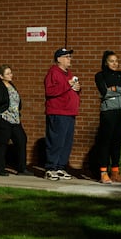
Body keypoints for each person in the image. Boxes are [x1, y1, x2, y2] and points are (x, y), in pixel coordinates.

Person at [94, 50, 121, 183]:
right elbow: (104, 92)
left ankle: (115, 172)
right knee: (106, 142)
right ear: (105, 62)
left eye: (116, 61)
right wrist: (120, 89)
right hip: (108, 113)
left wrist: (115, 89)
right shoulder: (100, 76)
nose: (115, 63)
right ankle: (103, 173)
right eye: (112, 61)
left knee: (117, 142)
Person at [44, 48, 81, 181]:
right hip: (58, 112)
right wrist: (67, 85)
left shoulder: (69, 73)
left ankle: (60, 167)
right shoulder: (53, 72)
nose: (69, 59)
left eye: (70, 56)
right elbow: (49, 91)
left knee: (66, 142)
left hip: (70, 112)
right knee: (56, 140)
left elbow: (69, 89)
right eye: (66, 57)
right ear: (59, 59)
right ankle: (51, 168)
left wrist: (77, 89)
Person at [0, 65, 30, 176]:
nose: (10, 75)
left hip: (15, 119)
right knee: (2, 143)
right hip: (4, 119)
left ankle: (22, 168)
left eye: (10, 73)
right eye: (7, 73)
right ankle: (0, 169)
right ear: (1, 76)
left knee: (22, 139)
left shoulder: (11, 86)